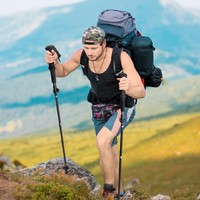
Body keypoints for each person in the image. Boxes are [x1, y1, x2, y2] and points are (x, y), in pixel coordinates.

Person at [45, 26, 146, 199]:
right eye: (87, 47)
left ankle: (108, 190)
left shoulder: (120, 57)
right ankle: (119, 194)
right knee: (108, 149)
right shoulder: (82, 55)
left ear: (104, 44)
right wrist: (54, 62)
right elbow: (62, 72)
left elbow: (141, 92)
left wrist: (128, 88)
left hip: (123, 107)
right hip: (99, 108)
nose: (90, 52)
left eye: (94, 48)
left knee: (102, 141)